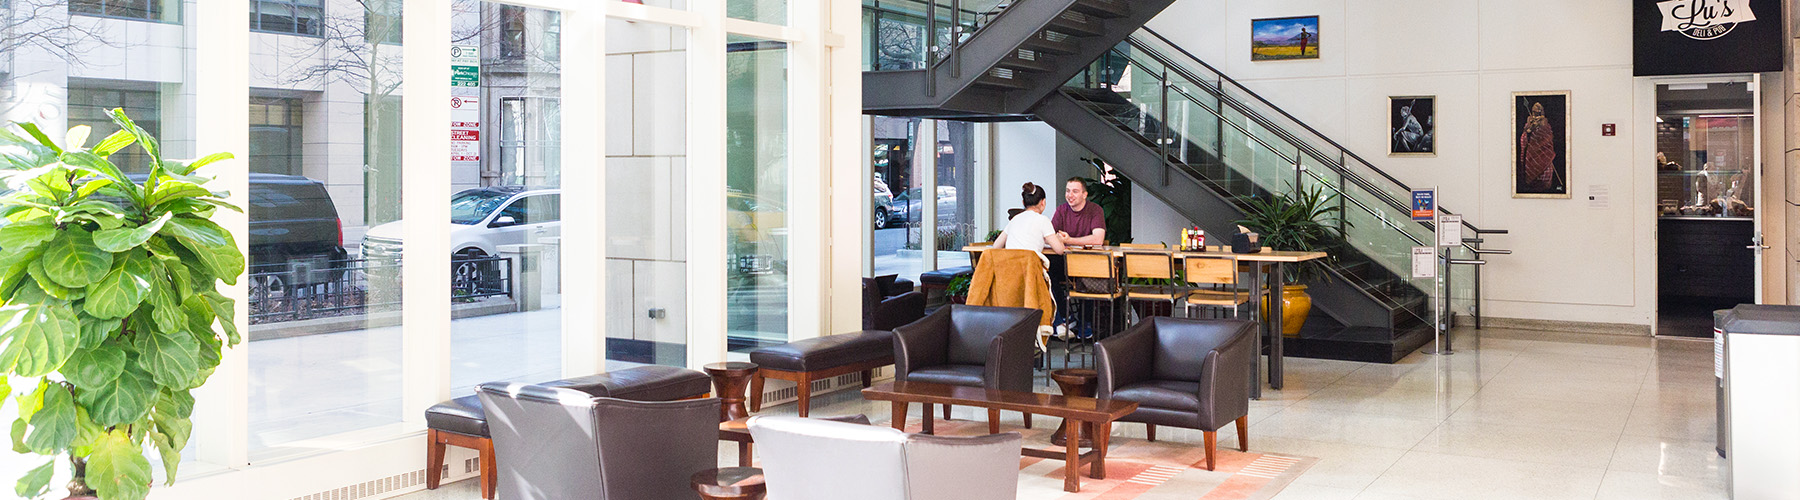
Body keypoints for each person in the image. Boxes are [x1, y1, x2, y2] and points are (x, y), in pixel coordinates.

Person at [992, 182, 1066, 259]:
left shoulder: (1015, 219)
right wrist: (1060, 240)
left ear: (1023, 203)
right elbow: (1060, 250)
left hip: (1009, 265)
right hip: (1029, 265)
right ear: (1043, 202)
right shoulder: (1043, 220)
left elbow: (996, 246)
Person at [1053, 177, 1106, 247]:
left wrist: (1069, 240)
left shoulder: (1095, 210)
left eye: (1075, 191)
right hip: (1065, 253)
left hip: (1089, 253)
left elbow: (1098, 240)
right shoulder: (1061, 210)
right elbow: (1049, 236)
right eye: (1068, 191)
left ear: (1084, 195)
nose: (1070, 195)